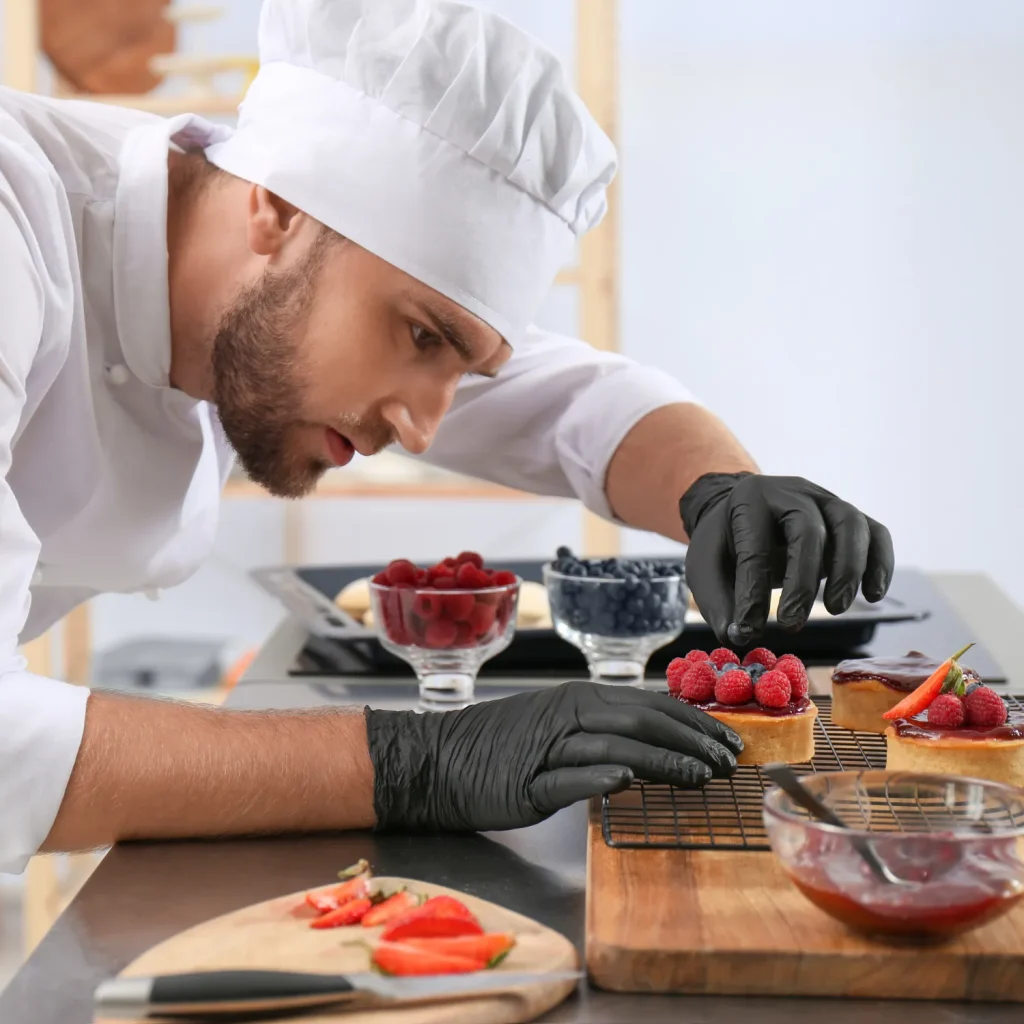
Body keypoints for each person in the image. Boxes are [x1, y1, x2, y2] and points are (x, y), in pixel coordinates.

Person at [0, 0, 893, 875]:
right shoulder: (16, 228)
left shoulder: (269, 281)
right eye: (423, 336)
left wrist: (721, 494)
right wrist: (413, 764)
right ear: (274, 208)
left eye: (462, 367)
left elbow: (576, 400)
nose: (423, 423)